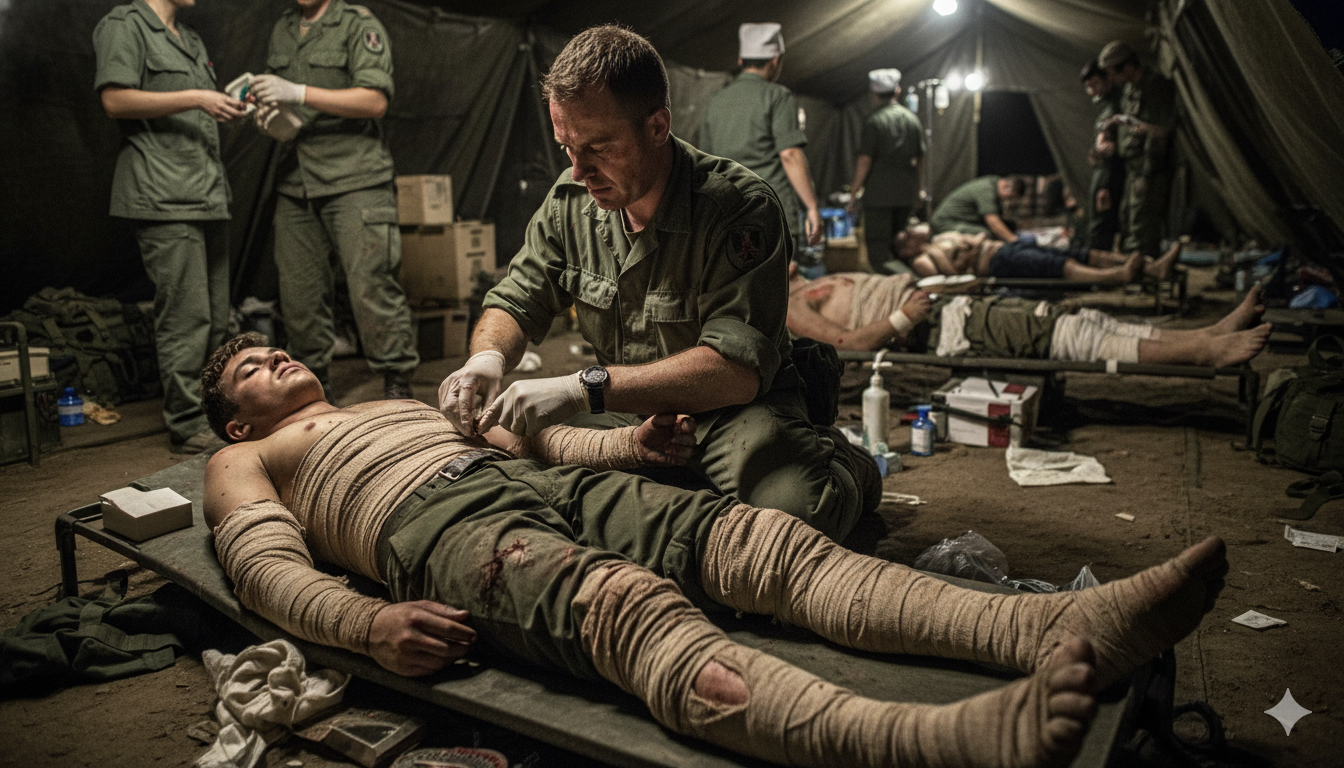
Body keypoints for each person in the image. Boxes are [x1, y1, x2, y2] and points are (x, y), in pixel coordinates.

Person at [203, 330, 1231, 768]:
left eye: (272, 346)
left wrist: (628, 446)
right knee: (624, 611)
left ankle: (1052, 621)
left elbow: (533, 438)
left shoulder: (393, 396)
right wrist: (364, 622)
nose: (273, 356)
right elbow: (265, 571)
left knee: (756, 540)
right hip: (429, 530)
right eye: (250, 366)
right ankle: (929, 746)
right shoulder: (252, 460)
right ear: (236, 421)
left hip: (527, 479)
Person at [439, 26, 879, 543]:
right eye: (567, 148)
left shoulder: (738, 208)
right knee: (499, 443)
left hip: (731, 411)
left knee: (797, 518)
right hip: (625, 410)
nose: (580, 172)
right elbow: (517, 297)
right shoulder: (571, 202)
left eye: (599, 148)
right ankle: (669, 474)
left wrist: (581, 389)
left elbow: (734, 372)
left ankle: (847, 465)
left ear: (656, 126)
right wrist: (486, 359)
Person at [93, 0, 247, 454]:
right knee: (186, 317)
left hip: (206, 193)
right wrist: (199, 96)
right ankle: (184, 423)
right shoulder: (124, 25)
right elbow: (115, 99)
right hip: (161, 194)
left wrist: (224, 104)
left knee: (218, 317)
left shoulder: (191, 38)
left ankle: (220, 414)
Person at [247, 0, 418, 400]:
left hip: (354, 176)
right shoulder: (284, 28)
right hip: (296, 180)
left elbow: (374, 101)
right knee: (299, 293)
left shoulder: (358, 24)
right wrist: (271, 114)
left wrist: (298, 91)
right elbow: (283, 103)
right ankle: (314, 387)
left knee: (371, 287)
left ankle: (397, 384)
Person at [787, 265, 1271, 364]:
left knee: (1087, 319)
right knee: (1072, 336)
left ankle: (1208, 331)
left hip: (953, 307)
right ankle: (1205, 353)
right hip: (946, 329)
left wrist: (951, 286)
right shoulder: (789, 305)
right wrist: (905, 318)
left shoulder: (803, 280)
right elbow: (846, 347)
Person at [698, 23, 823, 249]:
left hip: (729, 213)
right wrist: (812, 207)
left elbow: (707, 164)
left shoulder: (714, 103)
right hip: (771, 210)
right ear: (775, 60)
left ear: (740, 61)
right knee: (778, 281)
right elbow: (790, 154)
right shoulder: (777, 97)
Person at [1098, 41, 1176, 259]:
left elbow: (1162, 129)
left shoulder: (1155, 85)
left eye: (1112, 72)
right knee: (1128, 219)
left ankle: (1147, 268)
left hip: (1149, 166)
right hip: (1133, 166)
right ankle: (1135, 267)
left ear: (1128, 67)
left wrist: (1132, 124)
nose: (1111, 78)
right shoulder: (1129, 89)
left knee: (1144, 222)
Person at [896, 224, 1184, 283]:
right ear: (905, 248)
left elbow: (979, 235)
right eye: (906, 236)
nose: (912, 232)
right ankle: (1118, 275)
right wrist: (965, 251)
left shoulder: (941, 236)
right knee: (1055, 265)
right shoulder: (923, 259)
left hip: (1002, 247)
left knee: (1080, 253)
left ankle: (1151, 266)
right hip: (995, 262)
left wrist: (970, 242)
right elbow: (949, 276)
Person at [847, 68, 925, 276]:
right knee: (899, 248)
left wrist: (854, 194)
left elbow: (865, 160)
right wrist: (918, 190)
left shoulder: (874, 121)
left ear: (873, 95)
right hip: (905, 194)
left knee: (880, 254)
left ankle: (908, 284)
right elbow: (919, 160)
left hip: (879, 196)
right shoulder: (912, 120)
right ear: (897, 91)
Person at [1080, 60, 1126, 252]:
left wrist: (1105, 184)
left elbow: (1114, 149)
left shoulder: (1117, 105)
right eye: (1088, 87)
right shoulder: (1108, 107)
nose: (1092, 91)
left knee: (1102, 222)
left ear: (1108, 78)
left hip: (1110, 173)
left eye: (1095, 84)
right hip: (1104, 171)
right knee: (1099, 221)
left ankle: (1100, 268)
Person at [929, 175, 1023, 241]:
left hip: (962, 221)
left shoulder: (992, 184)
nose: (1007, 200)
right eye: (1009, 197)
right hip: (945, 224)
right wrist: (1013, 240)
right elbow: (992, 221)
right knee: (985, 233)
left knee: (1008, 227)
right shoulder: (987, 189)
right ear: (1005, 185)